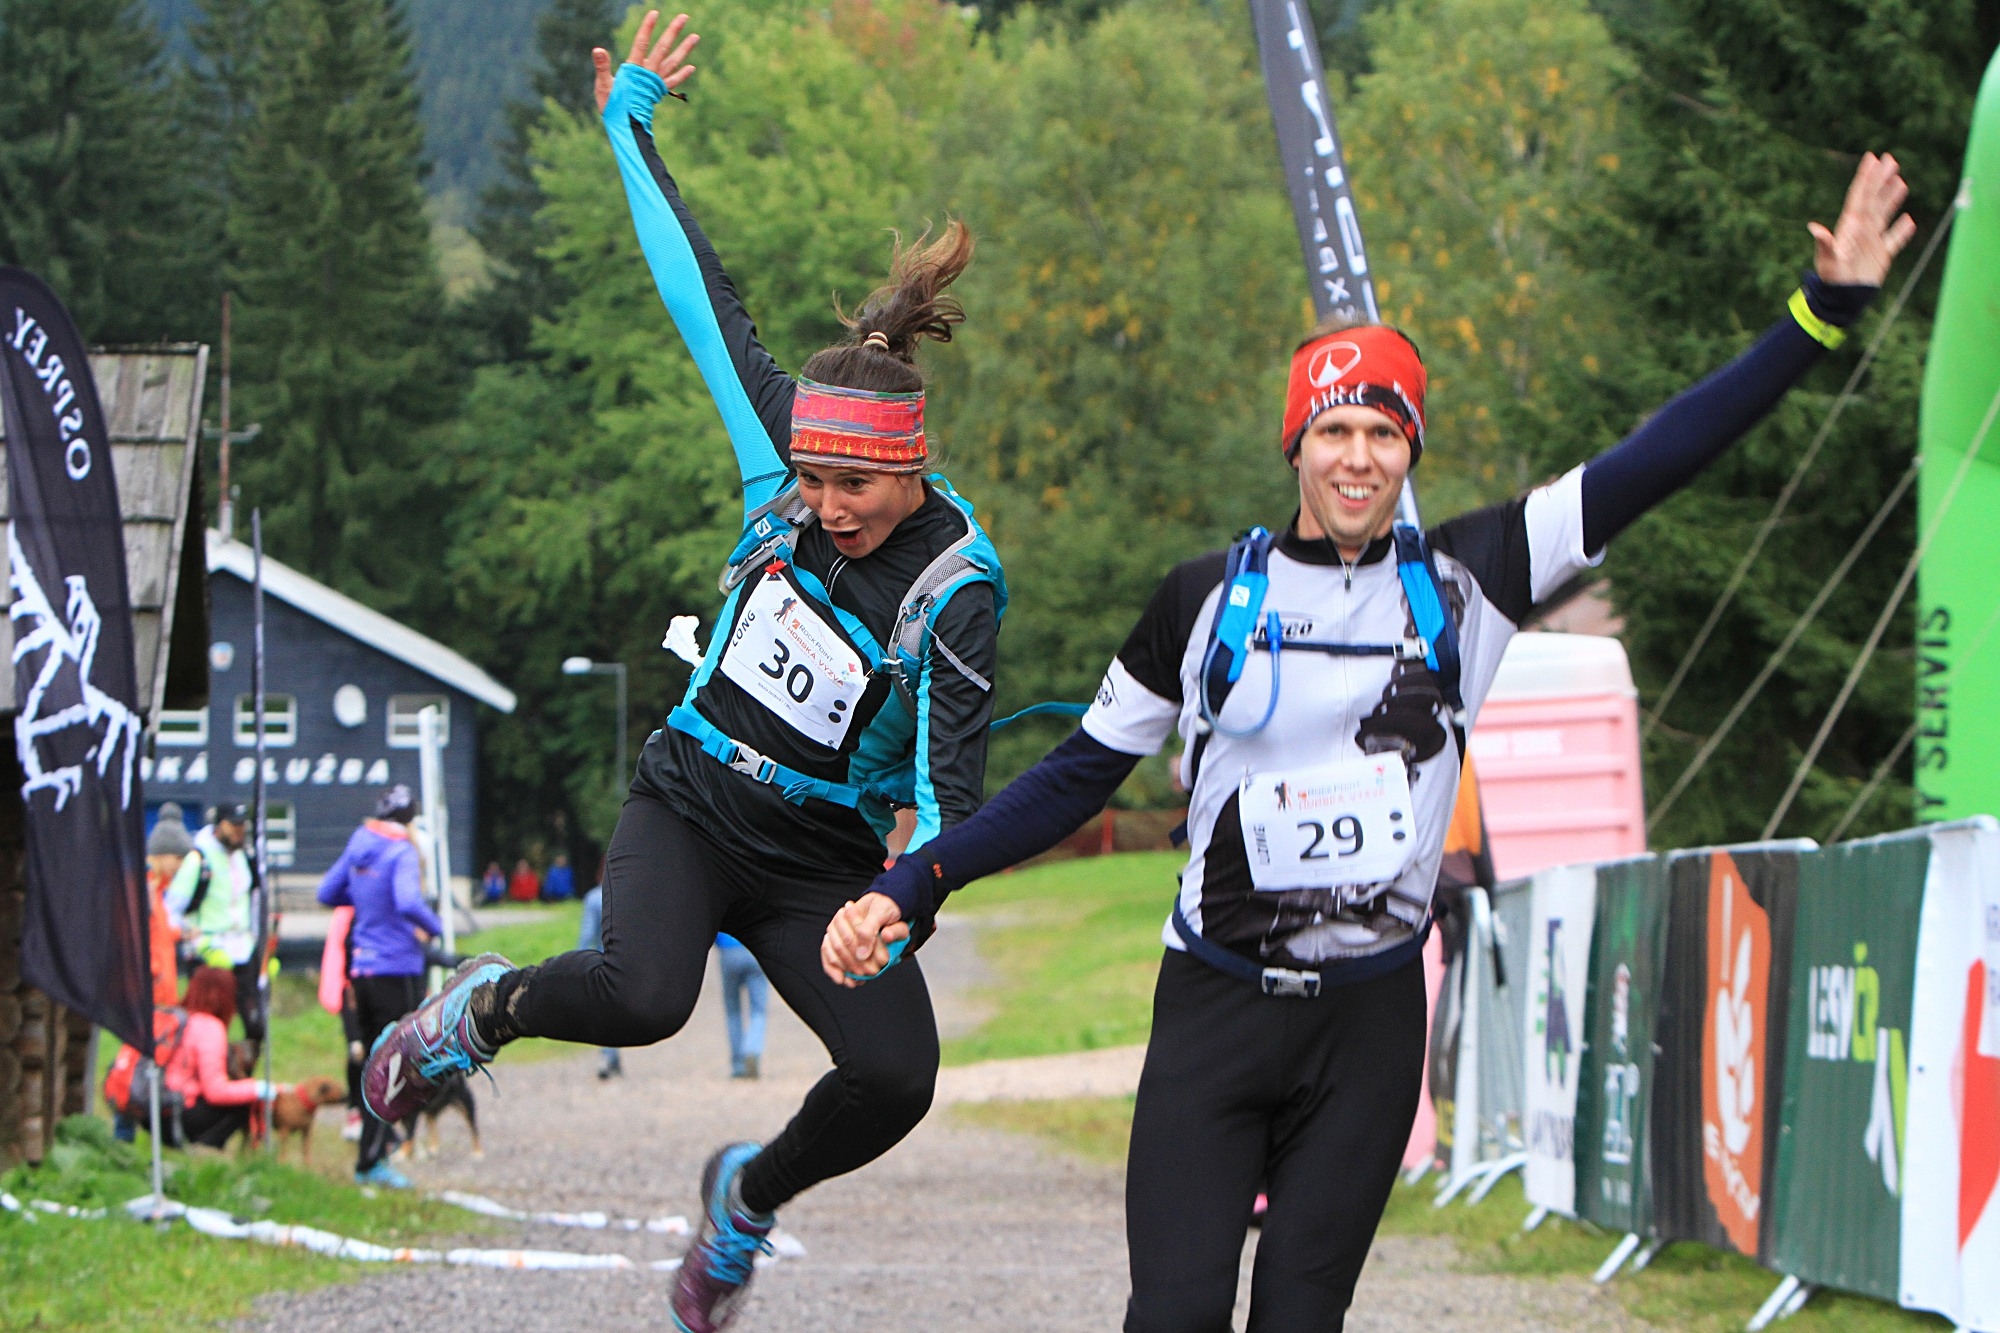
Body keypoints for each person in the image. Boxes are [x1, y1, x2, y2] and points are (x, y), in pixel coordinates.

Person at [825, 156, 1916, 1330]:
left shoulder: (1477, 577)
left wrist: (1821, 312)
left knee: (1299, 1317)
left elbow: (1657, 458)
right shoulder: (1199, 600)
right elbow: (1076, 774)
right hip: (1214, 1003)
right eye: (1333, 428)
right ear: (1294, 443)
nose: (1357, 456)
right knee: (1174, 1315)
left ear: (1408, 450)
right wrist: (915, 881)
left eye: (1382, 434)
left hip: (1368, 1017)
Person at [364, 14, 1005, 1330]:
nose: (827, 507)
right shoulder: (784, 456)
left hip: (818, 860)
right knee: (645, 997)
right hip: (692, 800)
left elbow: (947, 799)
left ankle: (745, 1202)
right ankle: (478, 1011)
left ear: (918, 470)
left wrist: (897, 906)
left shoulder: (955, 586)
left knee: (898, 1075)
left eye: (859, 487)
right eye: (813, 479)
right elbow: (698, 296)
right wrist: (627, 127)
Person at [318, 785, 441, 1188]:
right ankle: (371, 1161)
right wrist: (434, 929)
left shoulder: (360, 842)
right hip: (396, 969)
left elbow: (327, 892)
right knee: (389, 1067)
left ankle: (373, 1148)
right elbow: (407, 901)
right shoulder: (402, 851)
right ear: (409, 819)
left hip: (362, 971)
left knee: (369, 1061)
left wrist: (366, 903)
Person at [163, 803, 264, 1050]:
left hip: (243, 950)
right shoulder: (198, 860)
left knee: (255, 1024)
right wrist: (189, 936)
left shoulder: (244, 856)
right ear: (219, 826)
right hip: (209, 952)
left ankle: (237, 1075)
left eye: (243, 825)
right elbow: (171, 909)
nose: (240, 831)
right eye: (234, 825)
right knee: (212, 1026)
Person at [163, 966, 283, 1149]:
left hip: (150, 1109)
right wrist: (258, 1089)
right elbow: (215, 1092)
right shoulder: (209, 1027)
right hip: (176, 1112)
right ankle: (204, 1149)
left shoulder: (174, 1016)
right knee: (243, 1102)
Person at [144, 804, 192, 1007]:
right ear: (161, 855)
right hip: (155, 989)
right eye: (178, 858)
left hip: (163, 987)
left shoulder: (157, 891)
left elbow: (158, 933)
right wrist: (154, 972)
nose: (181, 866)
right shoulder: (146, 891)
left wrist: (179, 933)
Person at [577, 883, 621, 1079]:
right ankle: (613, 1056)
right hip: (624, 962)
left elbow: (587, 935)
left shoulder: (593, 898)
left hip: (602, 961)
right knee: (614, 1010)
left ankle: (607, 1056)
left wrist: (579, 961)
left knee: (605, 1011)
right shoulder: (627, 895)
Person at [716, 934, 767, 1080]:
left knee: (733, 1011)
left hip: (729, 951)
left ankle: (738, 1063)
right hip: (754, 950)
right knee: (758, 1010)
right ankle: (752, 1049)